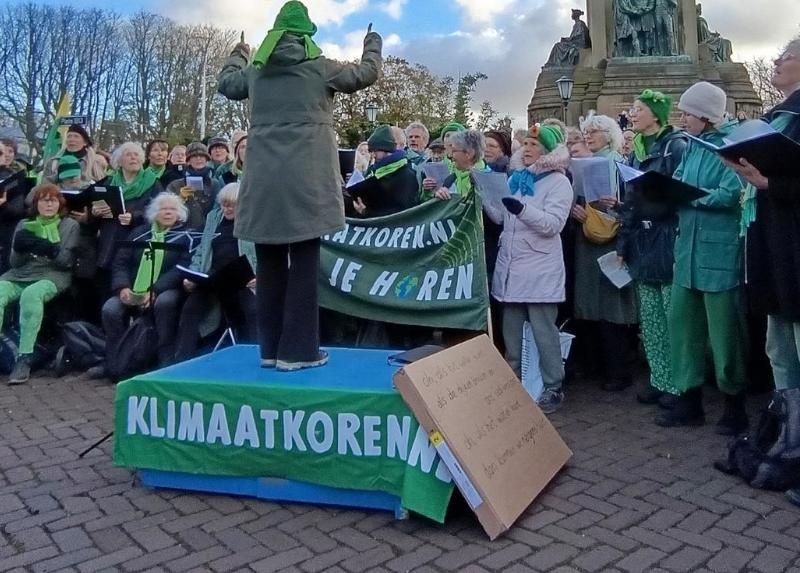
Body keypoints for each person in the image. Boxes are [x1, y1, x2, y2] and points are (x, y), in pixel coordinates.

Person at [217, 0, 382, 371]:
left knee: (269, 264)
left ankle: (269, 350)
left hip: (264, 182)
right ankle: (299, 352)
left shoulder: (256, 72)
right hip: (308, 182)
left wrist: (239, 53)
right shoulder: (320, 68)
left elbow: (227, 83)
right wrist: (372, 42)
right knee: (305, 265)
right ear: (307, 32)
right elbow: (366, 73)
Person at [655, 82, 748, 433]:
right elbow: (678, 182)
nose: (682, 119)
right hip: (687, 255)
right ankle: (689, 401)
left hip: (719, 255)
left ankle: (734, 405)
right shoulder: (693, 146)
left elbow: (730, 193)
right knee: (684, 331)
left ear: (706, 116)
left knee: (726, 335)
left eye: (688, 113)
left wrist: (688, 197)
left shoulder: (731, 145)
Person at [732, 37, 800, 496]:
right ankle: (787, 447)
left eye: (786, 56)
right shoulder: (775, 116)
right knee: (781, 351)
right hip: (772, 246)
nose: (776, 61)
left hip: (795, 248)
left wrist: (772, 182)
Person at [485, 124, 573, 413]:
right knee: (511, 331)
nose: (527, 149)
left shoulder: (559, 182)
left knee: (543, 332)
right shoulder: (516, 178)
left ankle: (552, 385)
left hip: (539, 268)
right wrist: (486, 197)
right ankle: (514, 381)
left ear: (547, 151)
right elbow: (502, 218)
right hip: (512, 267)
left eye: (534, 145)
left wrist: (522, 210)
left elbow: (552, 225)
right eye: (526, 144)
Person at [617, 89, 687, 407]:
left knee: (674, 319)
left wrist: (657, 197)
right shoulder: (636, 150)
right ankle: (660, 379)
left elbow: (683, 193)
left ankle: (679, 385)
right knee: (652, 320)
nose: (632, 113)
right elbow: (631, 202)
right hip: (642, 241)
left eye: (639, 109)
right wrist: (623, 242)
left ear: (656, 115)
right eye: (632, 109)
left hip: (667, 237)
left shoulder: (675, 146)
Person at [571, 112, 639, 391]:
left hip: (614, 241)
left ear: (609, 135)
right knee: (592, 306)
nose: (589, 136)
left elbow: (633, 206)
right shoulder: (584, 165)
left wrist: (617, 208)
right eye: (586, 131)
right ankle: (596, 366)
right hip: (588, 239)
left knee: (613, 307)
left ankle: (618, 370)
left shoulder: (621, 164)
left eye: (595, 131)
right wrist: (576, 211)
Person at [100, 192, 192, 371]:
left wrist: (154, 290)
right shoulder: (139, 233)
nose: (168, 212)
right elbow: (121, 263)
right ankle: (117, 359)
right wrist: (122, 287)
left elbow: (181, 269)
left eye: (172, 209)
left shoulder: (186, 236)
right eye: (163, 209)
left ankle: (165, 358)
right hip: (133, 287)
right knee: (110, 310)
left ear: (179, 213)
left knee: (165, 303)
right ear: (154, 213)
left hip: (166, 288)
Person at [1, 184, 79, 384]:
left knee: (31, 294)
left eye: (53, 200)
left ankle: (24, 357)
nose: (49, 204)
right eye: (44, 200)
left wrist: (46, 248)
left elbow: (65, 262)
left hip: (53, 275)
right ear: (36, 204)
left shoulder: (69, 225)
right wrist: (20, 248)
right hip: (21, 274)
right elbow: (14, 263)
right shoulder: (24, 224)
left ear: (60, 204)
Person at [175, 183, 257, 361]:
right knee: (190, 307)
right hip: (214, 276)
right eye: (223, 205)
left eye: (231, 205)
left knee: (252, 309)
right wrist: (192, 274)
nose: (226, 209)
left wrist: (260, 276)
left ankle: (255, 357)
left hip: (245, 278)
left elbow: (268, 253)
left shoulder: (255, 221)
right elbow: (202, 250)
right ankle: (182, 359)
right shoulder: (213, 218)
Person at [94, 142, 162, 299]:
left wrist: (135, 216)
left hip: (137, 240)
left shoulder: (153, 182)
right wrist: (96, 211)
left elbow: (159, 211)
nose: (133, 158)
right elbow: (96, 207)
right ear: (119, 161)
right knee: (105, 288)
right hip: (109, 241)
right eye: (128, 154)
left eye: (136, 154)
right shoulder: (109, 182)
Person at [350, 125, 419, 218]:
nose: (373, 155)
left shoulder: (406, 174)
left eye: (375, 151)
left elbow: (402, 212)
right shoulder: (374, 170)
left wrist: (366, 212)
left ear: (386, 149)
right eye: (371, 151)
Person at [165, 142, 220, 229]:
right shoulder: (175, 185)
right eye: (194, 156)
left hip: (209, 231)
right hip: (182, 231)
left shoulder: (214, 184)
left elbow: (219, 210)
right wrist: (180, 199)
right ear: (188, 160)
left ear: (207, 159)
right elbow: (166, 211)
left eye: (202, 156)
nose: (198, 158)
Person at [432, 130, 490, 201]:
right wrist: (439, 195)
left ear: (469, 153)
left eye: (454, 151)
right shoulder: (451, 179)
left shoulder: (486, 183)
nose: (450, 155)